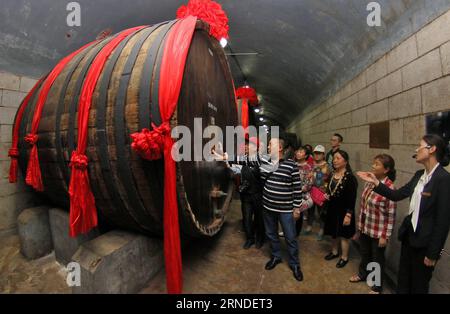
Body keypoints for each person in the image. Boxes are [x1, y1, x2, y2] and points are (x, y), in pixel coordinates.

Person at [357, 134, 450, 294]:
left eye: (419, 146)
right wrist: (376, 182)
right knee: (403, 280)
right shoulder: (419, 175)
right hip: (409, 238)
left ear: (432, 149)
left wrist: (433, 253)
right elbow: (397, 195)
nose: (416, 149)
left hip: (425, 244)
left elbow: (443, 221)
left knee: (419, 286)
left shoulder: (443, 179)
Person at [350, 154, 397, 294]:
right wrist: (359, 228)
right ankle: (363, 274)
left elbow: (391, 215)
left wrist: (385, 236)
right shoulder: (369, 182)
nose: (373, 166)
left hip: (378, 232)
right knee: (365, 253)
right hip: (366, 228)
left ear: (386, 169)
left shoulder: (390, 188)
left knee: (377, 259)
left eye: (377, 164)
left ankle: (376, 286)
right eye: (373, 163)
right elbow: (363, 207)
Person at [323, 150, 358, 268]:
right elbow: (330, 189)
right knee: (333, 232)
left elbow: (352, 198)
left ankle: (344, 257)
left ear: (345, 161)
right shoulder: (332, 174)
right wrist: (328, 195)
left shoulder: (350, 178)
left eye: (338, 158)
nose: (334, 160)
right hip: (332, 208)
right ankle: (334, 252)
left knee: (344, 235)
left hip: (344, 210)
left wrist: (348, 215)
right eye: (334, 158)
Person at [237, 137, 265, 249]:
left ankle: (260, 238)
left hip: (258, 195)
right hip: (246, 196)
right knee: (247, 218)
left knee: (259, 218)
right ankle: (250, 239)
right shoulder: (242, 159)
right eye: (245, 145)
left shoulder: (261, 159)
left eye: (249, 145)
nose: (246, 147)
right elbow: (236, 168)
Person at [306, 145, 332, 240]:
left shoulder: (328, 166)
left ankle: (322, 230)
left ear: (323, 155)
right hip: (311, 191)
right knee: (310, 210)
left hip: (321, 192)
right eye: (315, 153)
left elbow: (328, 179)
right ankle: (309, 227)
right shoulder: (311, 164)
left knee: (321, 212)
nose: (317, 155)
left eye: (319, 153)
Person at [293, 146, 314, 236]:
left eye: (301, 152)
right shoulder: (292, 164)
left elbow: (309, 184)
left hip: (302, 195)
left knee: (298, 214)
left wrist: (298, 189)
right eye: (298, 151)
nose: (298, 153)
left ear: (306, 156)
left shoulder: (308, 167)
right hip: (290, 194)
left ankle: (296, 233)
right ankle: (288, 230)